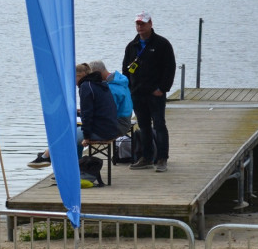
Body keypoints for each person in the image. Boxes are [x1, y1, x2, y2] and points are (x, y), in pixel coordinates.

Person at [27, 63, 118, 167]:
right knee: (72, 130)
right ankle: (68, 164)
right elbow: (96, 109)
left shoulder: (85, 86)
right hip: (110, 128)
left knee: (63, 136)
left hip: (101, 131)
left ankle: (46, 157)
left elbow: (87, 115)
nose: (72, 81)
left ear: (81, 75)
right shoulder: (99, 84)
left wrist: (87, 137)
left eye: (73, 77)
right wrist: (80, 112)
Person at [122, 12, 176, 172]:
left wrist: (163, 88)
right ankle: (146, 157)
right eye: (137, 24)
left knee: (159, 125)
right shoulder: (132, 46)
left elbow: (170, 68)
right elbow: (125, 68)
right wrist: (128, 88)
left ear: (150, 24)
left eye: (143, 23)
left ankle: (162, 158)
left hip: (155, 94)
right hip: (137, 93)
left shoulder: (162, 44)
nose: (140, 27)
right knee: (143, 126)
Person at [88, 59, 134, 136]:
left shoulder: (111, 88)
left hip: (118, 125)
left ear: (97, 73)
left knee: (75, 134)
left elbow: (108, 112)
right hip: (126, 120)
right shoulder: (120, 80)